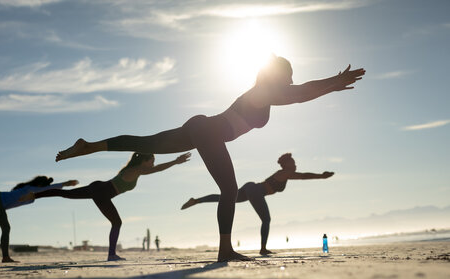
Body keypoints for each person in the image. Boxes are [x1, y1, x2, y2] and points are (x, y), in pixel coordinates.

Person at [54, 56, 365, 262]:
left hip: (201, 127)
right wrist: (332, 83)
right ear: (278, 75)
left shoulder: (267, 94)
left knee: (146, 142)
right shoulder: (264, 91)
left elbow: (298, 93)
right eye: (289, 76)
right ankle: (225, 250)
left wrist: (330, 85)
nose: (291, 81)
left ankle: (89, 146)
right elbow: (299, 93)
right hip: (207, 131)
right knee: (229, 190)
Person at [21, 152, 191, 261]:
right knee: (116, 222)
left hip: (100, 189)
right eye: (152, 160)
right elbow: (158, 170)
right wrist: (176, 161)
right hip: (101, 191)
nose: (153, 163)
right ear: (145, 161)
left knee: (66, 194)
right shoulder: (137, 170)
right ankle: (111, 255)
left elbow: (155, 168)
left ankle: (35, 195)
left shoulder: (134, 169)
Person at [181, 153, 334, 255]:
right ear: (286, 165)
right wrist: (321, 176)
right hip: (255, 191)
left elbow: (300, 176)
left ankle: (197, 200)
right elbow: (303, 176)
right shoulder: (286, 173)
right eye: (292, 162)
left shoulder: (285, 174)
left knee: (227, 198)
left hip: (252, 189)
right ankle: (263, 249)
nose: (295, 164)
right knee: (266, 219)